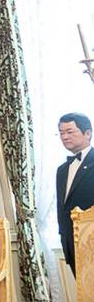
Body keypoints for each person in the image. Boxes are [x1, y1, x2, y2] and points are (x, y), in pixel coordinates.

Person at [56, 112, 94, 274]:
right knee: (83, 296)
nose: (64, 137)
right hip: (71, 242)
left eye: (70, 132)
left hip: (91, 237)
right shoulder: (62, 170)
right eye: (61, 133)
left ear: (87, 133)